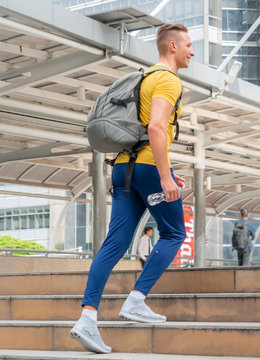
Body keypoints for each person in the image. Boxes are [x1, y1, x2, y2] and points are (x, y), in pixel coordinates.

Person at [70, 23, 194, 354]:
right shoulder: (168, 79)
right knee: (174, 234)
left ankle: (87, 319)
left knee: (115, 242)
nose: (191, 52)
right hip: (149, 166)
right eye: (188, 46)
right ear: (172, 47)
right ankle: (136, 300)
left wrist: (166, 172)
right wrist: (164, 176)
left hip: (125, 166)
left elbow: (143, 130)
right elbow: (155, 127)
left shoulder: (146, 77)